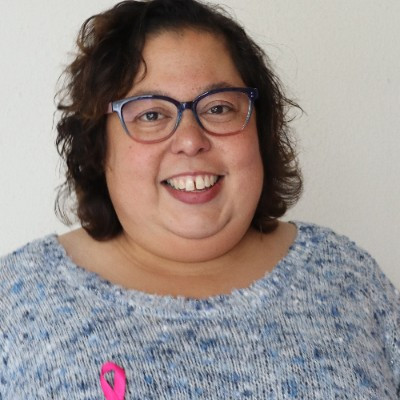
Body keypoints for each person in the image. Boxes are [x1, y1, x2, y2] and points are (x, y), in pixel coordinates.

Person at [0, 0, 399, 398]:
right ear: (99, 145)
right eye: (151, 115)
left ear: (260, 129)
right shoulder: (18, 298)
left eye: (219, 108)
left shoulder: (348, 278)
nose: (190, 140)